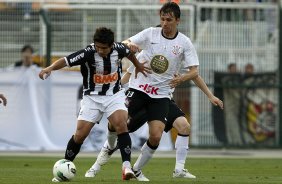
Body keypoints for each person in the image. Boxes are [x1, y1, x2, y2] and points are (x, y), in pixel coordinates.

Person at [85, 2, 205, 181]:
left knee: (156, 136)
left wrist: (182, 79)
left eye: (169, 20)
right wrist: (130, 45)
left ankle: (137, 170)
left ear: (178, 21)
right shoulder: (150, 34)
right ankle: (97, 164)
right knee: (118, 125)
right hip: (139, 90)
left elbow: (194, 71)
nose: (165, 23)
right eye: (162, 19)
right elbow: (126, 43)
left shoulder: (184, 43)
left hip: (161, 97)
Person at [38, 27, 150, 182]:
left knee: (121, 125)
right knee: (80, 135)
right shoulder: (88, 52)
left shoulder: (119, 48)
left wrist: (137, 65)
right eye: (98, 46)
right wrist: (49, 68)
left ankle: (126, 167)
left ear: (111, 45)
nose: (100, 50)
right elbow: (66, 60)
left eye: (103, 48)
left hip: (114, 95)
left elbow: (130, 54)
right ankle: (65, 166)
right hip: (92, 97)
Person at [85, 60, 224, 181]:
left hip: (163, 100)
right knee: (120, 129)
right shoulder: (146, 54)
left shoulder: (177, 56)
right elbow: (128, 75)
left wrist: (211, 96)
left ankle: (171, 170)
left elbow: (195, 74)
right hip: (140, 96)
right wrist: (110, 90)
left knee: (183, 127)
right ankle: (95, 166)